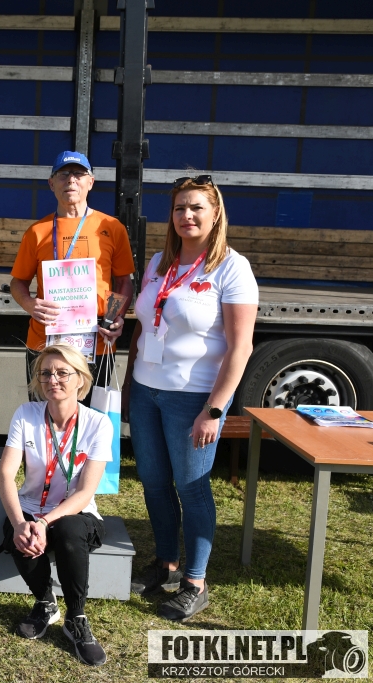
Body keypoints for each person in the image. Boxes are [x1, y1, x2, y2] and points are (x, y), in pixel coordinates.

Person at [124, 174, 257, 621]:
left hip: (193, 397)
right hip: (146, 391)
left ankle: (195, 583)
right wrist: (130, 383)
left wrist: (214, 410)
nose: (187, 215)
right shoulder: (159, 261)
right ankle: (166, 563)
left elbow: (241, 348)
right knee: (154, 483)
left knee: (192, 488)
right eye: (180, 207)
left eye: (197, 207)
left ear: (215, 213)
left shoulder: (232, 268)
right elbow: (144, 325)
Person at [0, 344, 112, 666]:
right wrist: (21, 523)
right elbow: (5, 475)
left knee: (70, 529)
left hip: (75, 511)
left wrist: (45, 523)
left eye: (62, 373)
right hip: (32, 506)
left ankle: (76, 617)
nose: (53, 379)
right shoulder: (26, 414)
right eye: (45, 373)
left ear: (80, 379)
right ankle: (46, 603)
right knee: (19, 534)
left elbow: (85, 492)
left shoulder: (98, 423)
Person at [10, 151, 135, 398]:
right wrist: (29, 304)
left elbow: (123, 281)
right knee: (44, 413)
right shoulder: (37, 231)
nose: (71, 180)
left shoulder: (112, 227)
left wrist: (114, 317)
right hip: (45, 342)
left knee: (90, 415)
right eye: (63, 174)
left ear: (91, 182)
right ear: (51, 183)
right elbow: (18, 282)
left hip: (96, 342)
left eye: (79, 174)